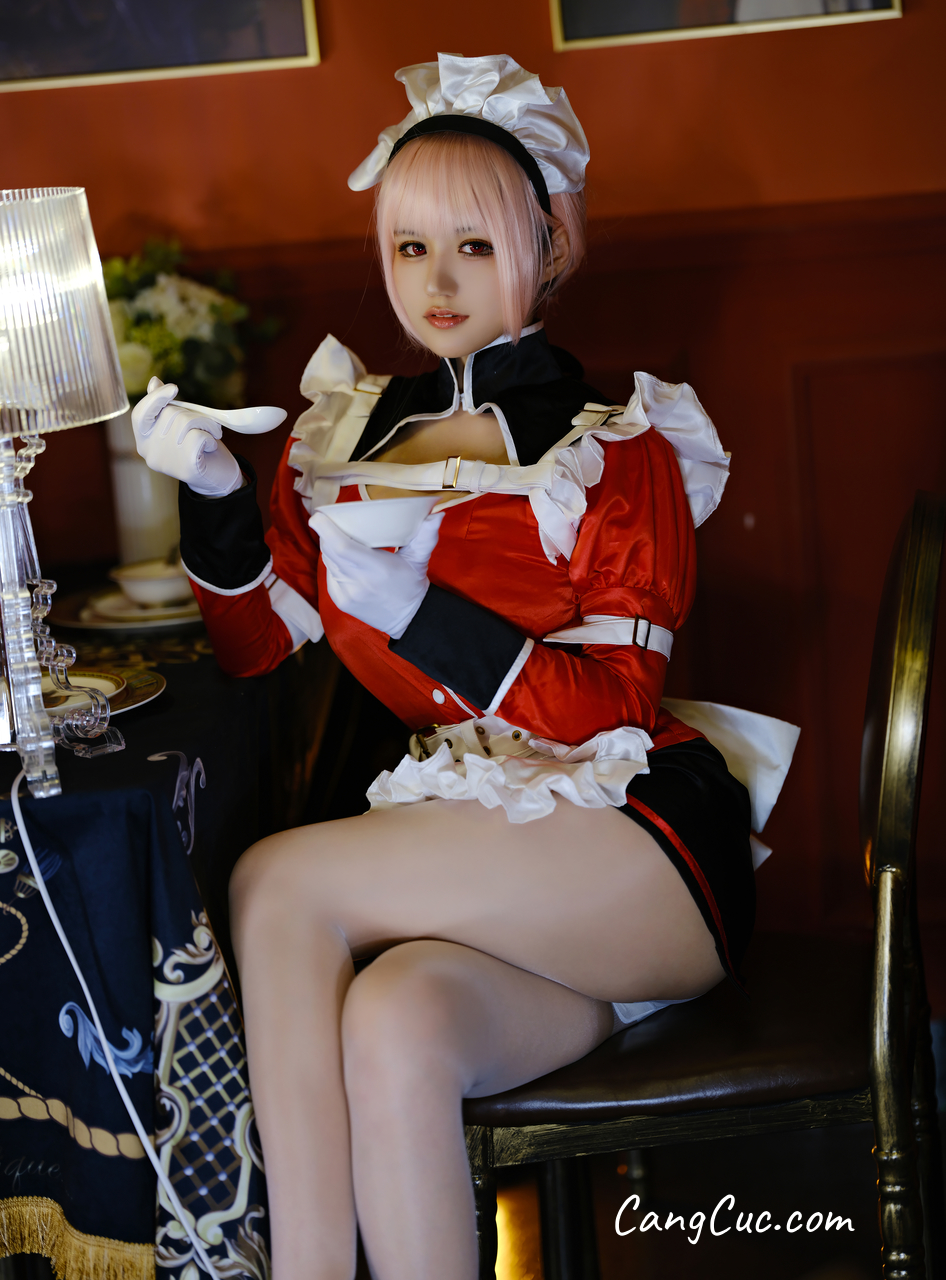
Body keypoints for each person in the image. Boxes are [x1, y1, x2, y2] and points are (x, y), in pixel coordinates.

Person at [132, 54, 755, 1280]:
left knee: (273, 880)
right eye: (410, 247)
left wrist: (425, 616)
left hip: (634, 850)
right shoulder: (343, 438)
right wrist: (212, 498)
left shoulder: (617, 448)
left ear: (548, 245)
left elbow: (615, 708)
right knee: (395, 1018)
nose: (439, 281)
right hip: (486, 874)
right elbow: (260, 643)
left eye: (474, 245)